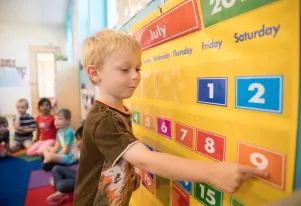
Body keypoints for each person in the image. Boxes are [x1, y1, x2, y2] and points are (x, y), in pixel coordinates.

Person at [73, 29, 268, 206]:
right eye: (125, 69)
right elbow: (146, 160)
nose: (135, 76)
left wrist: (128, 174)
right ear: (94, 73)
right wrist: (213, 173)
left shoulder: (116, 109)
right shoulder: (104, 119)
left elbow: (115, 155)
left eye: (138, 68)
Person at [46, 125, 83, 206]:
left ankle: (68, 194)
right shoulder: (80, 152)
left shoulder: (92, 155)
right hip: (80, 176)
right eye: (77, 139)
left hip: (85, 182)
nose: (78, 143)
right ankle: (60, 192)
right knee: (56, 168)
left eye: (81, 140)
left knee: (60, 185)